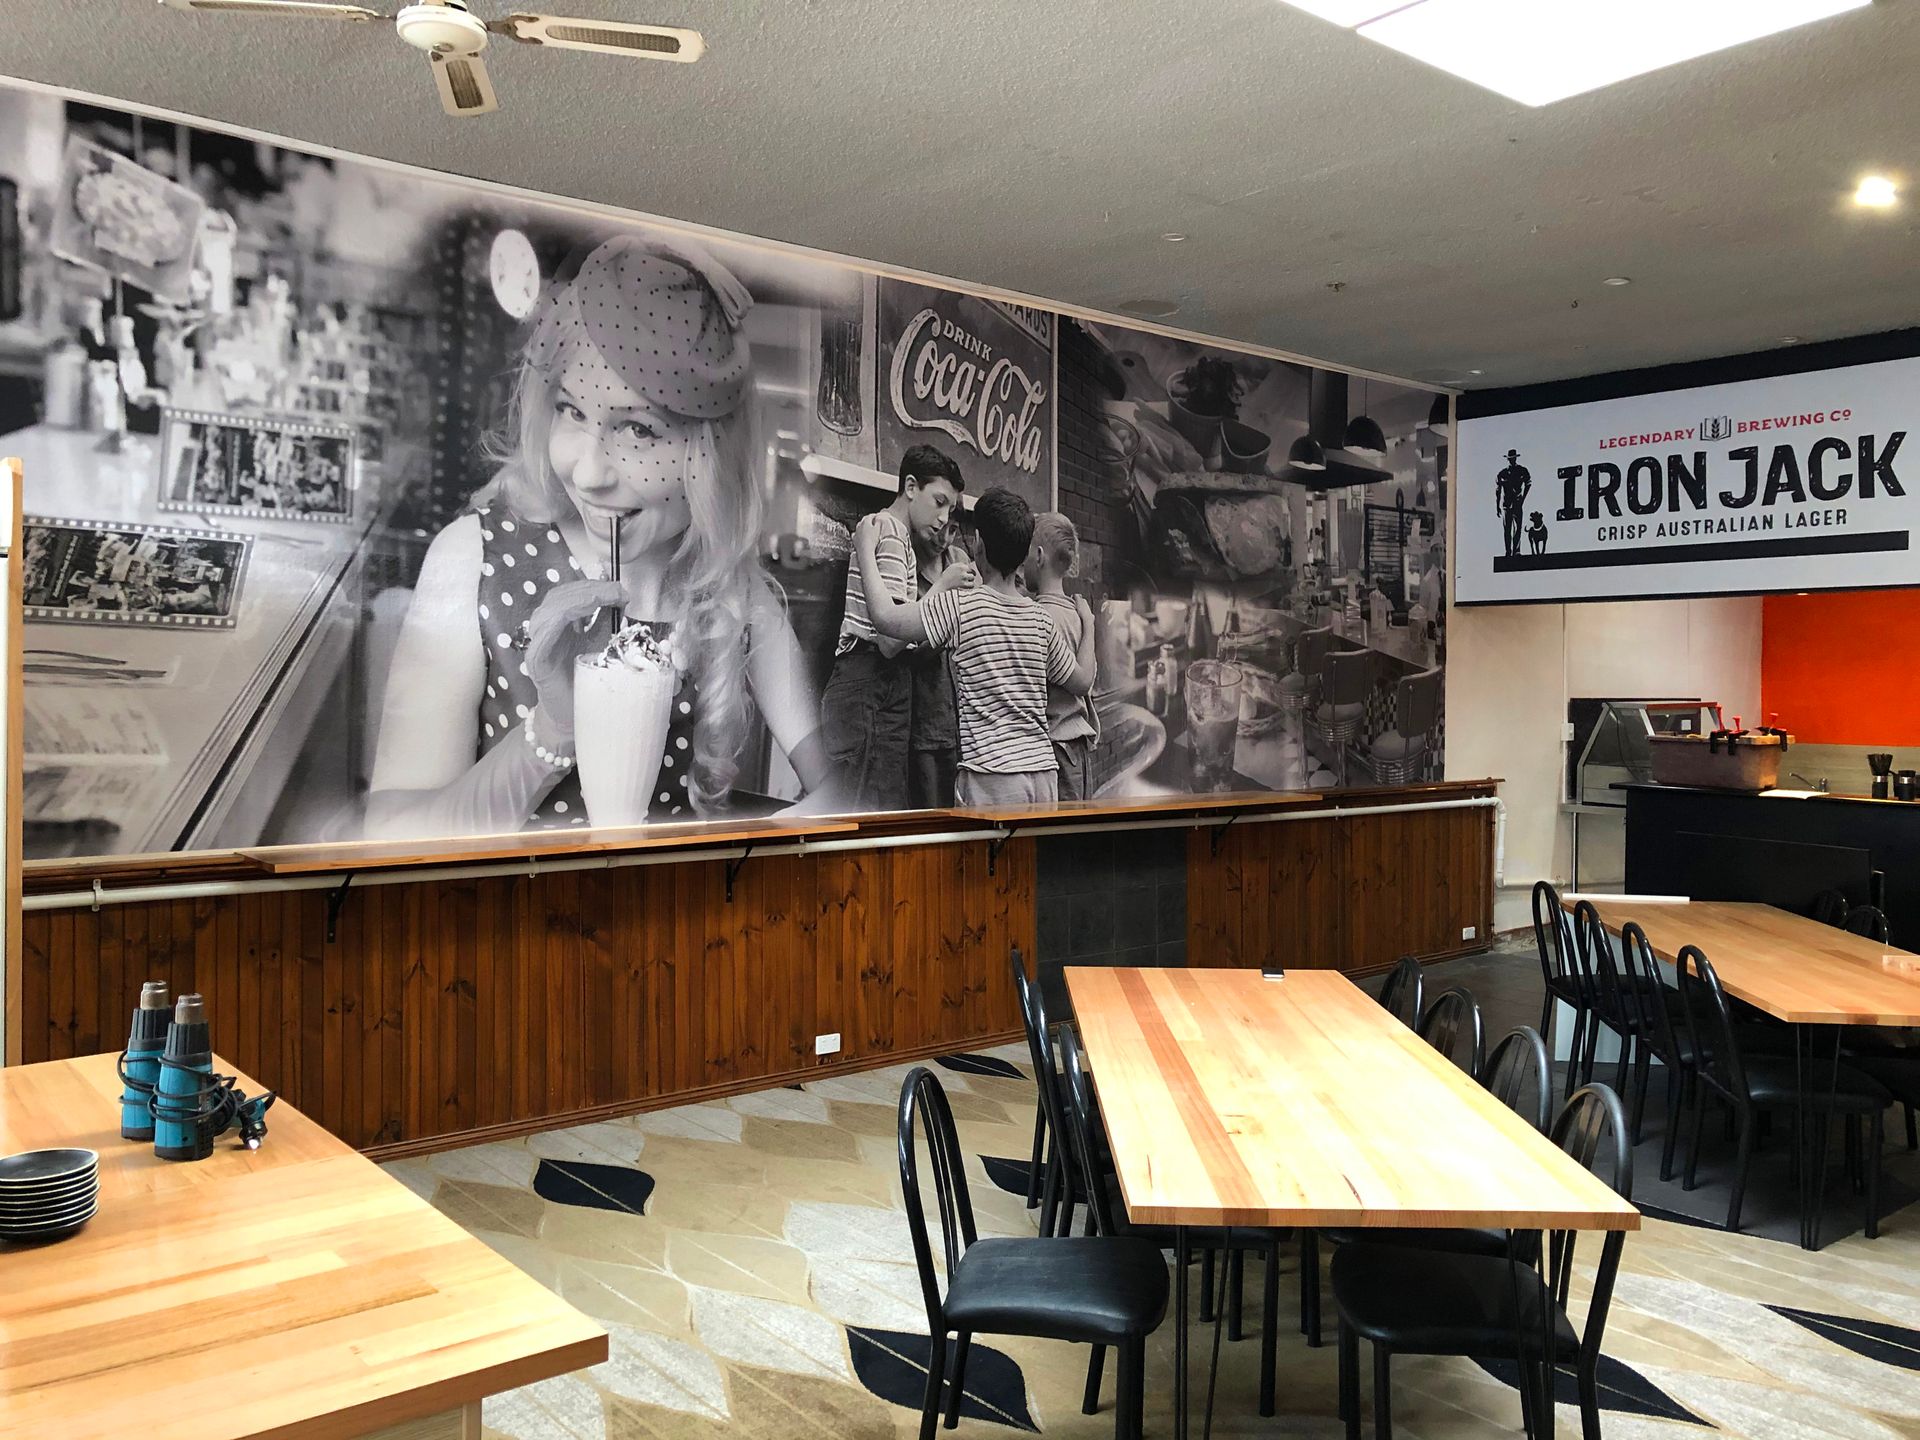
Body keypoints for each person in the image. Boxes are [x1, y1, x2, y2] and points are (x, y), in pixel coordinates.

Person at [366, 235, 834, 839]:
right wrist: (552, 732)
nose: (588, 472)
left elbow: (848, 792)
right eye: (572, 410)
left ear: (709, 456)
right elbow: (390, 837)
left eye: (638, 431)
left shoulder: (733, 598)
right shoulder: (473, 561)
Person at [863, 487, 1095, 807]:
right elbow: (1083, 681)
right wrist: (1090, 625)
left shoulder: (961, 607)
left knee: (988, 859)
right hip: (1043, 777)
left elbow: (885, 618)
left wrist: (864, 547)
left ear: (978, 545)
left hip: (992, 777)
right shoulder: (1041, 620)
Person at [819, 444, 971, 810]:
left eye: (949, 508)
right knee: (868, 809)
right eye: (939, 501)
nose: (943, 517)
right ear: (911, 487)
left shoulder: (896, 536)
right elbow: (889, 638)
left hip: (879, 681)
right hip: (871, 678)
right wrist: (943, 587)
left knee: (880, 806)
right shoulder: (887, 530)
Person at [1022, 512, 1101, 800]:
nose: (1022, 563)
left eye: (1026, 553)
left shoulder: (1039, 616)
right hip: (1078, 747)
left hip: (1056, 747)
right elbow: (1090, 675)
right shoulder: (1077, 613)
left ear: (1039, 556)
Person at [906, 516, 966, 809]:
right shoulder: (908, 568)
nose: (943, 538)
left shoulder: (959, 562)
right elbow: (904, 650)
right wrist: (942, 635)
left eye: (953, 530)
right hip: (926, 719)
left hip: (963, 722)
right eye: (939, 528)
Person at [1496, 447, 1531, 559]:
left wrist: (1523, 498)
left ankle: (1516, 551)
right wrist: (1497, 506)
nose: (1512, 460)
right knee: (1507, 530)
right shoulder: (1502, 474)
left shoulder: (1522, 470)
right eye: (1510, 459)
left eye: (1513, 458)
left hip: (1517, 504)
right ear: (1508, 460)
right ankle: (1508, 552)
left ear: (1516, 458)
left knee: (1518, 528)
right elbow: (1498, 490)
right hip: (1506, 505)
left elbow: (1528, 483)